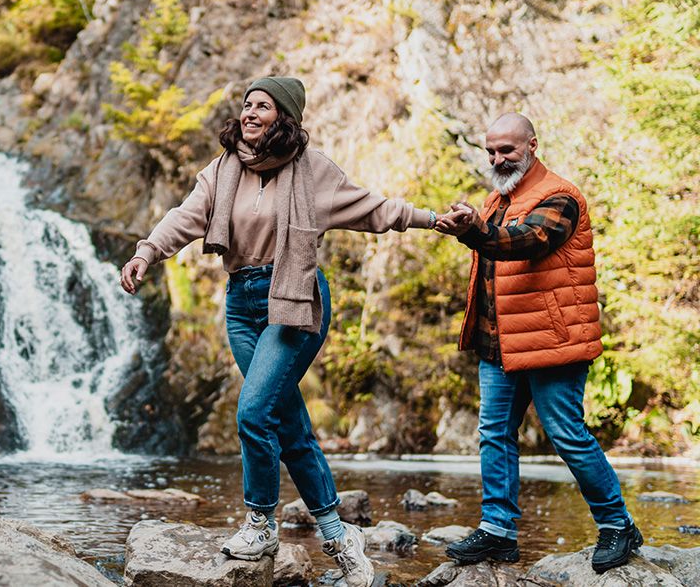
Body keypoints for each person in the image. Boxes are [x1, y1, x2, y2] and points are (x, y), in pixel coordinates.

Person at [120, 77, 448, 587]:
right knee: (287, 422)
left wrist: (433, 219)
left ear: (284, 117)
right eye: (247, 103)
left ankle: (261, 522)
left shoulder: (312, 171)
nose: (250, 112)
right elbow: (185, 217)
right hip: (241, 304)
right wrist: (146, 253)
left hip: (294, 300)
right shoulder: (224, 169)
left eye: (263, 105)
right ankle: (341, 537)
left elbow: (375, 208)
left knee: (253, 412)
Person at [435, 113, 641, 573]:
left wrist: (474, 229)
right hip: (500, 346)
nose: (497, 158)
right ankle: (498, 532)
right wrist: (470, 223)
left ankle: (617, 525)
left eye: (506, 150)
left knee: (568, 435)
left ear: (531, 144)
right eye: (490, 151)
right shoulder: (496, 198)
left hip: (553, 343)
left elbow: (527, 242)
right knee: (494, 436)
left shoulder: (560, 196)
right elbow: (493, 251)